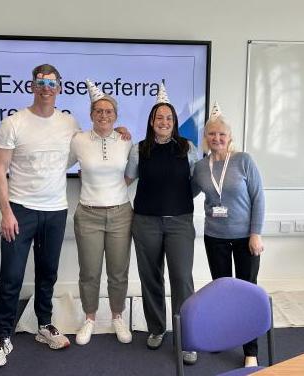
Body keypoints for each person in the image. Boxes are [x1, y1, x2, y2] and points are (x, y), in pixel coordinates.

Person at [0, 64, 79, 368]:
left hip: (55, 210)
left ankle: (44, 325)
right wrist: (6, 212)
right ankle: (2, 337)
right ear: (31, 86)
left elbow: (89, 145)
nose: (45, 88)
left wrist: (118, 132)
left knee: (47, 273)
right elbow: (0, 170)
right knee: (11, 277)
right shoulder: (13, 123)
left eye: (51, 83)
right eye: (40, 82)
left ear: (59, 88)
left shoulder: (69, 123)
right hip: (20, 211)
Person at [125, 83, 198, 365]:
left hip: (180, 222)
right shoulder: (138, 149)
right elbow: (127, 181)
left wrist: (176, 202)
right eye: (159, 118)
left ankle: (188, 338)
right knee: (151, 278)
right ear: (151, 122)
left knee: (182, 279)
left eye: (169, 118)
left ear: (174, 122)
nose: (164, 122)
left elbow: (195, 182)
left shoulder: (187, 148)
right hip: (145, 222)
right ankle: (156, 328)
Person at [191, 102, 265, 368]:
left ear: (230, 137)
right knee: (223, 293)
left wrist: (256, 233)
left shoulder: (244, 161)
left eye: (221, 134)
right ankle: (223, 337)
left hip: (246, 238)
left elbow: (259, 199)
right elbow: (186, 193)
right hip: (215, 238)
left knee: (247, 293)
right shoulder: (200, 167)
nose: (217, 138)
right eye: (212, 134)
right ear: (206, 138)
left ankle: (251, 350)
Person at [68, 80, 133, 345]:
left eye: (109, 111)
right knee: (90, 272)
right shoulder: (79, 140)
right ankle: (90, 318)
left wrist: (115, 187)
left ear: (116, 116)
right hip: (89, 214)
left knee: (118, 271)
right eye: (99, 111)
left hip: (120, 214)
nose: (104, 115)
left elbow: (133, 173)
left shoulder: (126, 141)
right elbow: (59, 165)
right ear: (91, 114)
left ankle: (117, 316)